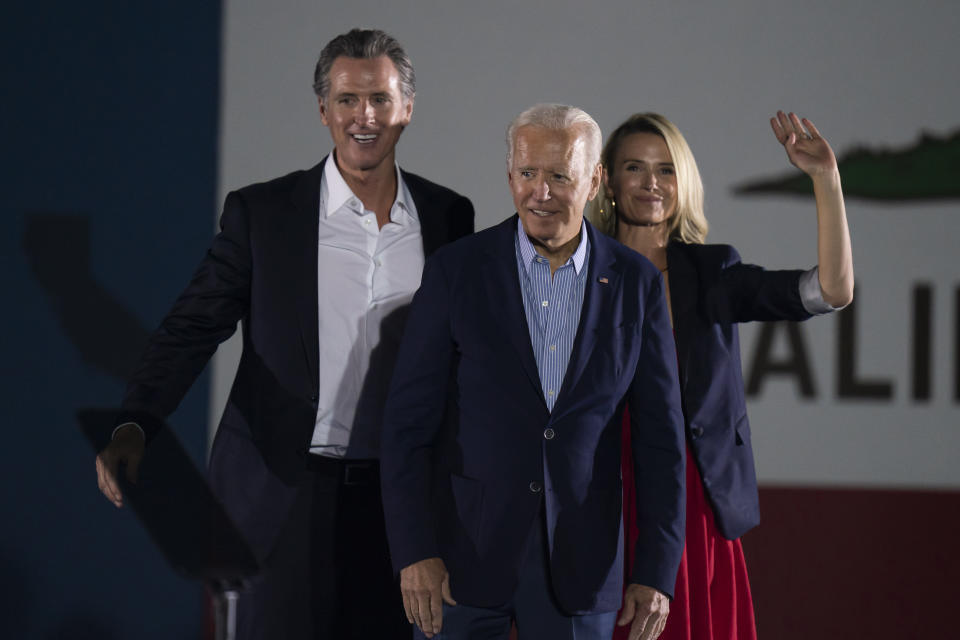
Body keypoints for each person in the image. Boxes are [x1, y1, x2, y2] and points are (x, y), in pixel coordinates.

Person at [94, 28, 474, 640]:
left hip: (396, 506)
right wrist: (138, 419)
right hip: (281, 498)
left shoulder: (449, 217)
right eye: (348, 100)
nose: (364, 116)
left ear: (406, 107)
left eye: (379, 99)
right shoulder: (264, 216)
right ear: (324, 111)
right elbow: (192, 327)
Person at [379, 103, 686, 640]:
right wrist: (414, 552)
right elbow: (407, 425)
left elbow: (661, 440)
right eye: (527, 174)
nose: (540, 192)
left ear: (594, 181)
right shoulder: (457, 271)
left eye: (559, 176)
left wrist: (656, 572)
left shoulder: (636, 284)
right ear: (509, 175)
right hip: (459, 564)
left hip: (582, 566)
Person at [588, 111, 853, 640]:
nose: (651, 183)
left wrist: (826, 181)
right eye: (634, 168)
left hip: (690, 502)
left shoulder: (711, 272)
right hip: (596, 494)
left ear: (682, 182)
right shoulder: (576, 268)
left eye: (665, 170)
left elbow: (830, 291)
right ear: (608, 181)